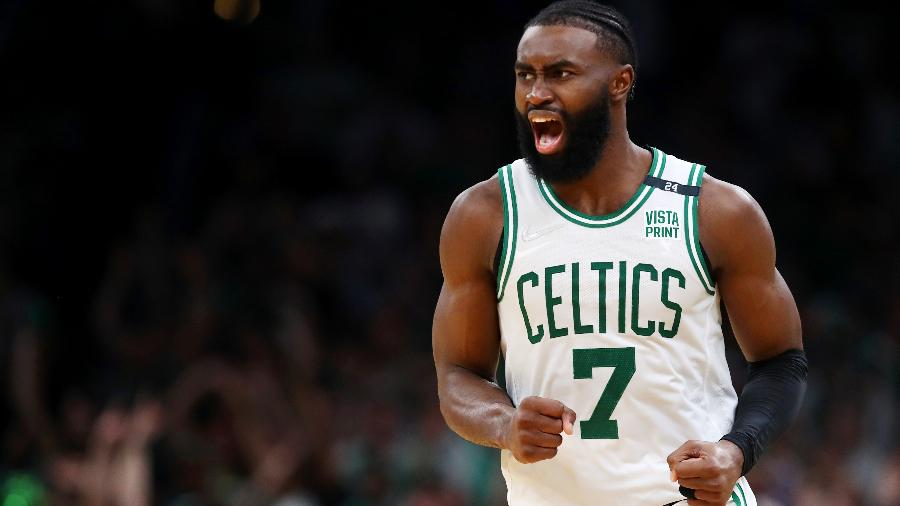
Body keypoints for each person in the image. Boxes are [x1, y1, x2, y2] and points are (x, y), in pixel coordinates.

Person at [431, 2, 808, 505]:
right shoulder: (484, 215)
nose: (538, 93)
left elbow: (783, 360)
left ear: (620, 83)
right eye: (526, 76)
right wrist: (503, 423)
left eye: (561, 74)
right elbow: (457, 375)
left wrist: (737, 452)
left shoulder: (713, 210)